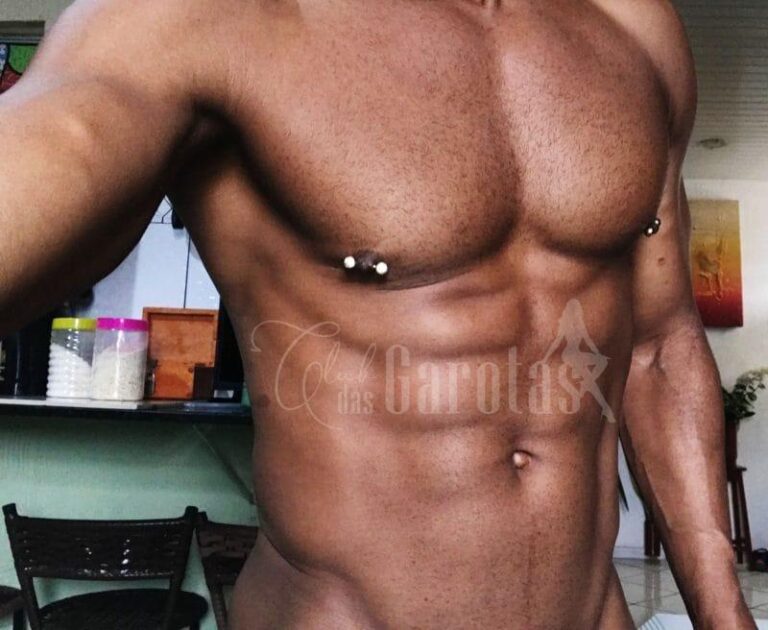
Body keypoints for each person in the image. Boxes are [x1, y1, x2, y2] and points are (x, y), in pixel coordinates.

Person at [0, 0, 755, 628]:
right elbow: (63, 138)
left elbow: (659, 346)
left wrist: (726, 616)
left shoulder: (633, 24)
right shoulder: (209, 18)